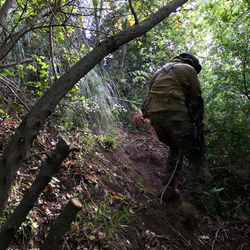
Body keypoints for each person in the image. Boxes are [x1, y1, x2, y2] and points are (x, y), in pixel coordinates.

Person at [142, 53, 205, 221]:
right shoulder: (188, 69)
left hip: (156, 118)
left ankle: (168, 190)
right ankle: (189, 206)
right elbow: (196, 95)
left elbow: (149, 97)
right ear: (191, 63)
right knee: (195, 156)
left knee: (175, 147)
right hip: (176, 116)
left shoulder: (159, 71)